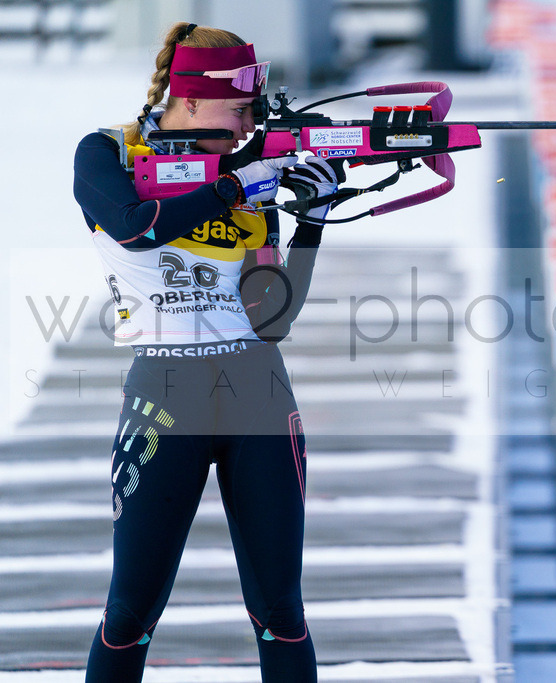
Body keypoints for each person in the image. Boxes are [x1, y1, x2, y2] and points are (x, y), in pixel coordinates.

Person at [72, 22, 336, 682]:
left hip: (257, 389)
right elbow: (135, 229)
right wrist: (230, 187)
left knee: (281, 609)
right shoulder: (107, 152)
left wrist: (311, 223)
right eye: (238, 108)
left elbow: (272, 315)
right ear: (188, 100)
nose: (249, 123)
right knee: (130, 611)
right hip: (164, 391)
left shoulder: (249, 168)